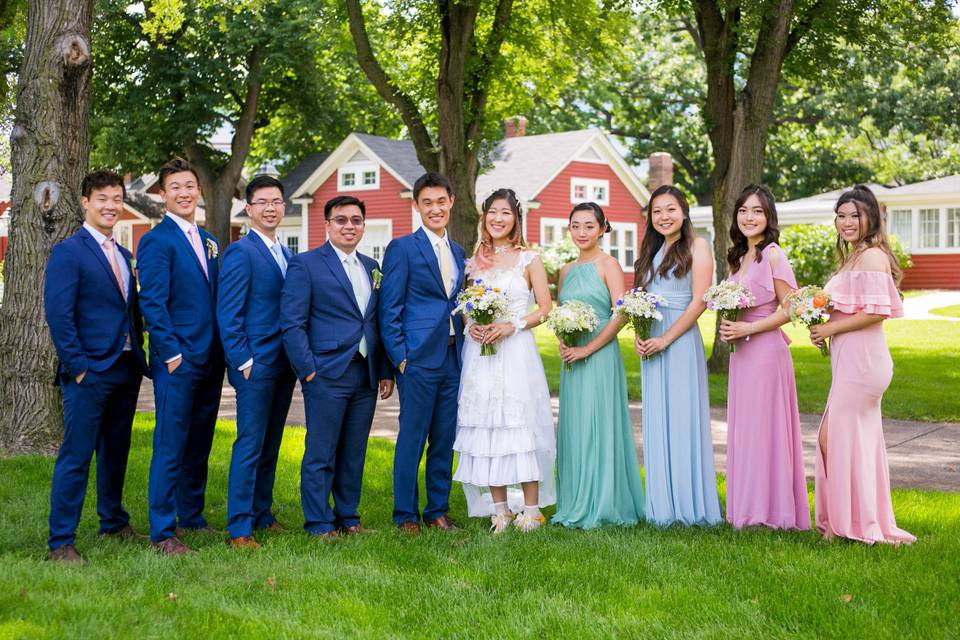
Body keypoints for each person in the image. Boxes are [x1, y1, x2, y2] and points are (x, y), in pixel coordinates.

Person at [43, 170, 149, 564]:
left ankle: (113, 521)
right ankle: (61, 541)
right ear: (85, 202)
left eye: (116, 197)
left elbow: (128, 311)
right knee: (77, 454)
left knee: (115, 451)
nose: (110, 205)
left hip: (125, 368)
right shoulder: (69, 252)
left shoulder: (123, 255)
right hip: (89, 371)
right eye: (102, 198)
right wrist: (80, 367)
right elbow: (59, 314)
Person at [281, 196, 394, 538]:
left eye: (356, 220)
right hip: (326, 372)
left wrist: (385, 371)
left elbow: (376, 322)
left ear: (363, 225)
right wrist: (309, 370)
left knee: (354, 451)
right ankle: (318, 522)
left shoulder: (373, 266)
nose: (349, 226)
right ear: (327, 225)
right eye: (341, 220)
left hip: (365, 372)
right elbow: (292, 323)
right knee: (322, 450)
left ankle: (348, 517)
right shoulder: (307, 264)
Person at [809, 185, 915, 545]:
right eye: (841, 215)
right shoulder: (854, 256)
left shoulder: (872, 256)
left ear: (871, 216)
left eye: (855, 215)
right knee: (850, 440)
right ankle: (853, 519)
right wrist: (820, 318)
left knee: (832, 437)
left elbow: (876, 312)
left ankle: (844, 525)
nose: (847, 222)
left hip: (864, 363)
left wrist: (831, 326)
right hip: (849, 360)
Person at [453, 189, 555, 533]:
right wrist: (473, 326)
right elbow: (467, 306)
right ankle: (500, 510)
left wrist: (512, 325)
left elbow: (544, 308)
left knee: (519, 424)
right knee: (486, 425)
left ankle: (531, 510)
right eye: (492, 212)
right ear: (484, 217)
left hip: (515, 351)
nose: (498, 218)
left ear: (516, 219)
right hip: (480, 354)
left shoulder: (529, 259)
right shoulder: (474, 260)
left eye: (505, 213)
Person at [138, 158, 224, 555]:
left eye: (190, 185)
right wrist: (170, 353)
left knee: (199, 442)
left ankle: (192, 516)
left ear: (199, 191)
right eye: (176, 187)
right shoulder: (157, 241)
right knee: (171, 443)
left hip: (209, 359)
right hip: (177, 359)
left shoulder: (209, 240)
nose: (184, 193)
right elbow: (152, 302)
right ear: (162, 194)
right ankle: (162, 530)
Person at [718, 184, 810, 531]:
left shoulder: (774, 254)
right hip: (742, 355)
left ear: (768, 216)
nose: (749, 217)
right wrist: (733, 327)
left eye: (756, 211)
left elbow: (792, 309)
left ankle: (772, 513)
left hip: (767, 353)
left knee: (766, 430)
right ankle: (746, 508)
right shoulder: (737, 257)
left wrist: (748, 330)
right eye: (743, 210)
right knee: (747, 431)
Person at [379, 172, 465, 532]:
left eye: (440, 201)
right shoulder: (402, 248)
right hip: (416, 359)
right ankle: (405, 515)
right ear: (416, 206)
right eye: (426, 202)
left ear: (451, 203)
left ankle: (437, 510)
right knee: (412, 438)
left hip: (452, 357)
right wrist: (400, 357)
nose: (435, 208)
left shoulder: (458, 251)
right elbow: (390, 307)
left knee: (444, 438)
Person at [552, 202, 646, 529]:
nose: (581, 232)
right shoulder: (564, 270)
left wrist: (588, 348)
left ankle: (604, 501)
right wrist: (563, 339)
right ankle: (575, 498)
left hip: (600, 355)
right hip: (571, 358)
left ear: (603, 228)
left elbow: (621, 314)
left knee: (599, 425)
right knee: (576, 426)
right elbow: (560, 312)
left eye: (589, 226)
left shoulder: (609, 265)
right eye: (575, 225)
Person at [217, 175, 297, 549]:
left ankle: (262, 513)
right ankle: (239, 527)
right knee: (249, 444)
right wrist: (242, 361)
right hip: (256, 364)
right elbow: (228, 313)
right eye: (263, 201)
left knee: (271, 443)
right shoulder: (240, 252)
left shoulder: (287, 254)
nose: (270, 208)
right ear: (248, 209)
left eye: (277, 201)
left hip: (284, 365)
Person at [634, 185, 721, 527]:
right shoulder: (650, 252)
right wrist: (643, 335)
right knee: (657, 419)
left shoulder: (698, 246)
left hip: (680, 340)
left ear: (684, 212)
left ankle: (688, 505)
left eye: (670, 209)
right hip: (652, 341)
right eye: (657, 211)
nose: (664, 217)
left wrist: (666, 339)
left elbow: (700, 301)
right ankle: (661, 506)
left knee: (682, 418)